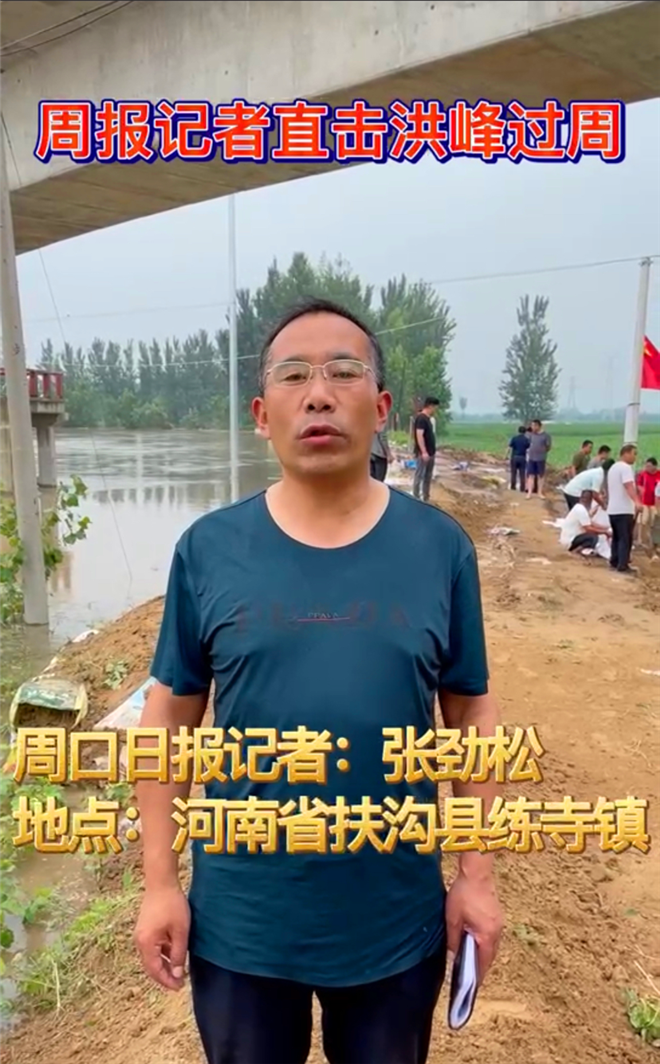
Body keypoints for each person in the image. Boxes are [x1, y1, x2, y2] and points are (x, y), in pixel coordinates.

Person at [133, 298, 504, 1064]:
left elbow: (470, 712)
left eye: (343, 372)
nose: (319, 395)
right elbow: (168, 721)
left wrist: (477, 876)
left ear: (383, 407)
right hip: (242, 923)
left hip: (393, 923)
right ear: (262, 415)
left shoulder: (439, 549)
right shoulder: (209, 549)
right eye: (294, 376)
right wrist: (160, 884)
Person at [606, 443, 640, 574]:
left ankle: (615, 561)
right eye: (634, 454)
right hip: (623, 509)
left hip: (613, 509)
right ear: (626, 453)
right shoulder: (625, 468)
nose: (635, 457)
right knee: (625, 538)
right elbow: (628, 486)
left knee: (617, 537)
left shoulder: (613, 468)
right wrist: (637, 501)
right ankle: (622, 565)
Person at [559, 489, 612, 557]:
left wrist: (606, 528)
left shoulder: (578, 507)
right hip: (570, 540)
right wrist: (604, 532)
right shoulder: (581, 510)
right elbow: (588, 529)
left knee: (592, 537)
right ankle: (575, 551)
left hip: (568, 539)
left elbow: (590, 523)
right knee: (593, 538)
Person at [412, 396, 440, 503]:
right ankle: (415, 498)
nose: (435, 410)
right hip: (424, 453)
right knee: (419, 475)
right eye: (435, 407)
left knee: (428, 476)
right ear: (430, 406)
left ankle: (425, 498)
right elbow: (419, 435)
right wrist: (423, 452)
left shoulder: (427, 419)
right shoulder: (421, 419)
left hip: (430, 452)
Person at [634, 457, 660, 548]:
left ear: (655, 466)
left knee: (654, 521)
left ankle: (653, 541)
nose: (647, 468)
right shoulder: (643, 474)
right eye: (646, 466)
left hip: (655, 503)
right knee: (643, 521)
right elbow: (639, 485)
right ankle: (641, 539)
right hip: (644, 501)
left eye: (649, 466)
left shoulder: (659, 474)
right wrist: (640, 489)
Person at [525, 419, 552, 499]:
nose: (532, 427)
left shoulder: (546, 436)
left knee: (541, 476)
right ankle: (529, 492)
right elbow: (529, 443)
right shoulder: (531, 435)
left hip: (541, 458)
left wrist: (542, 452)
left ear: (538, 426)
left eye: (534, 425)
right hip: (531, 458)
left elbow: (548, 447)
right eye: (531, 425)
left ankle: (539, 492)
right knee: (531, 475)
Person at [507, 425, 530, 492]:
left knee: (513, 473)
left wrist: (505, 456)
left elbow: (509, 447)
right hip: (522, 457)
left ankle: (513, 487)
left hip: (514, 457)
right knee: (522, 474)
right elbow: (528, 449)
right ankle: (522, 488)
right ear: (525, 432)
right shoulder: (526, 439)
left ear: (518, 431)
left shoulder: (514, 438)